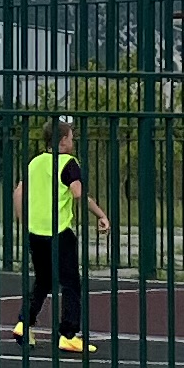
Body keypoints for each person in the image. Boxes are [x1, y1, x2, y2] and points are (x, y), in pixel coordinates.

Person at [13, 114, 111, 355]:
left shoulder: (35, 162)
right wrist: (100, 214)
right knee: (70, 283)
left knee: (43, 280)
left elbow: (19, 192)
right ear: (63, 140)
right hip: (59, 232)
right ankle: (68, 334)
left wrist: (24, 222)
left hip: (36, 232)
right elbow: (78, 194)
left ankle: (24, 323)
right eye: (71, 136)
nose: (73, 140)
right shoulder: (68, 162)